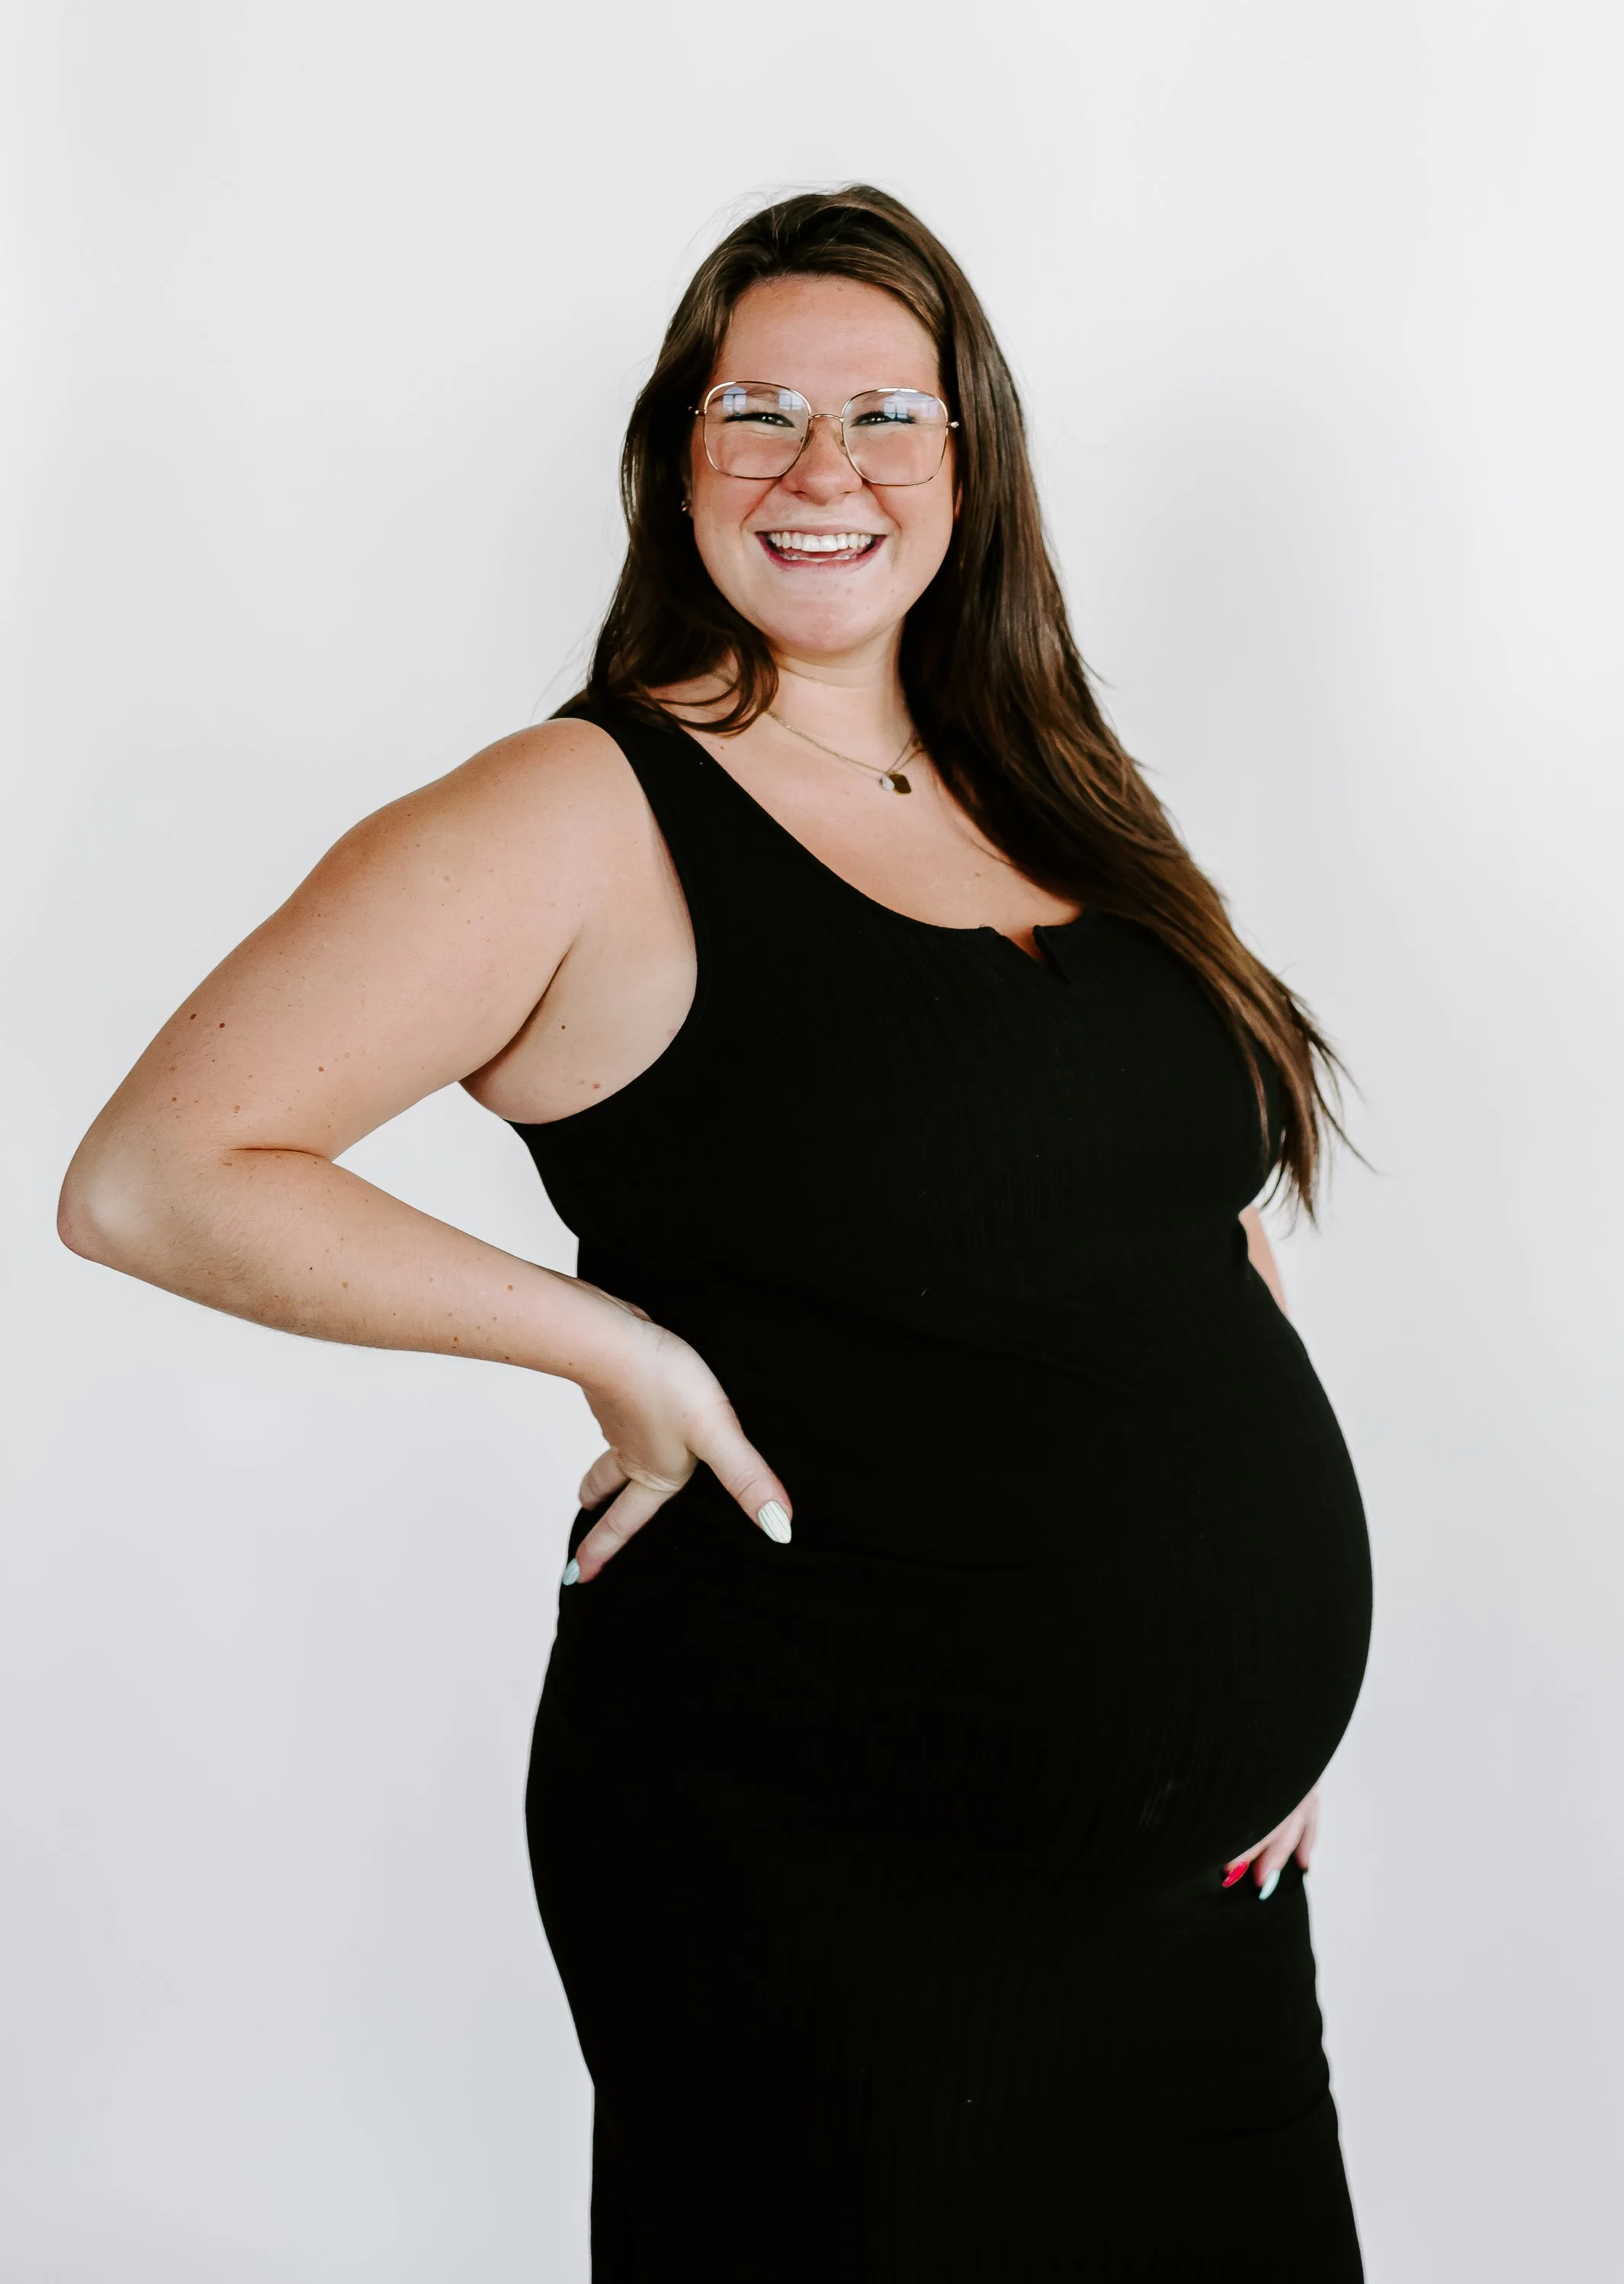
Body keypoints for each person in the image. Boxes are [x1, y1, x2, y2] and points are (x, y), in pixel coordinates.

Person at [59, 185, 1374, 2279]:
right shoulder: (579, 811)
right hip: (828, 1866)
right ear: (676, 460)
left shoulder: (1047, 781)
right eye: (756, 407)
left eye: (887, 417)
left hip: (1188, 1906)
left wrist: (1266, 1682)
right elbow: (155, 1172)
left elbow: (1179, 1213)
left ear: (974, 464)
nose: (821, 467)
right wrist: (611, 1349)